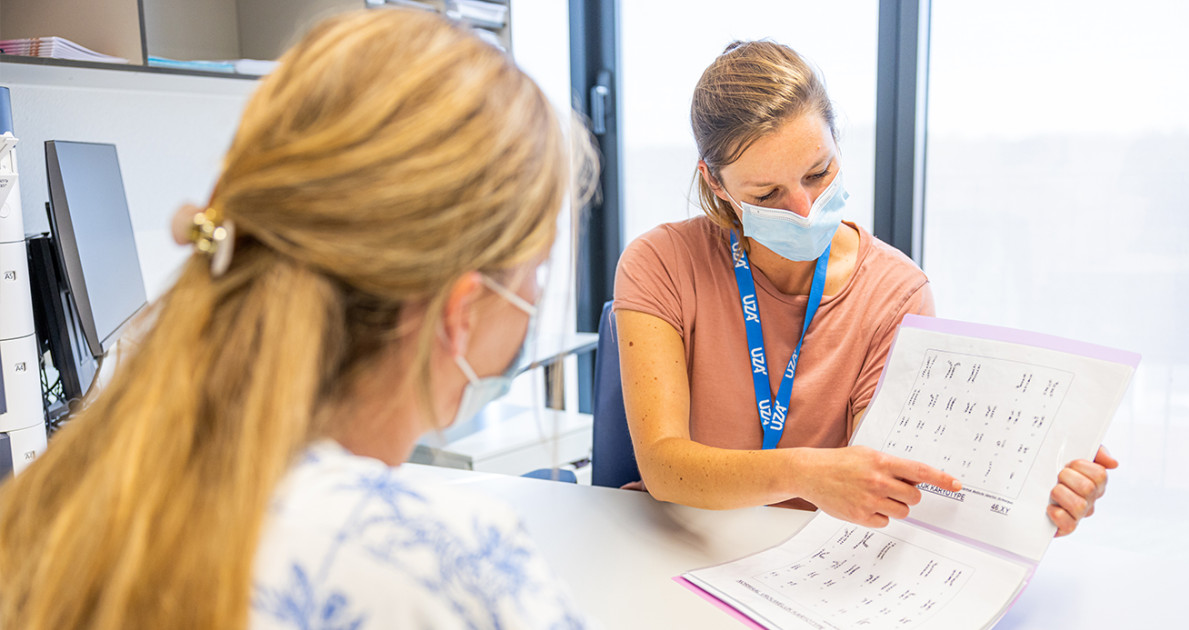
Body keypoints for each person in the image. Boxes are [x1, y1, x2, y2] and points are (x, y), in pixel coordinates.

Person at [0, 9, 597, 630]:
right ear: (462, 310)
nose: (536, 296)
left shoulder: (62, 495)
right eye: (537, 271)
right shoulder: (451, 568)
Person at [613, 40, 1114, 533]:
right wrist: (804, 472)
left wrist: (1032, 493)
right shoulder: (661, 263)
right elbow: (663, 466)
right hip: (682, 540)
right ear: (716, 183)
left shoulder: (895, 293)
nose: (805, 210)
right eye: (767, 193)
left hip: (812, 563)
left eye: (818, 172)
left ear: (838, 145)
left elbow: (895, 483)